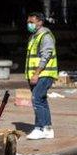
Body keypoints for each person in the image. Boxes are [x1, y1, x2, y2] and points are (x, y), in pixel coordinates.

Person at [25, 12, 58, 140]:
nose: (29, 25)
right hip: (36, 74)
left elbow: (46, 56)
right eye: (28, 22)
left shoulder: (45, 36)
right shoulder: (34, 36)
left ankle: (44, 128)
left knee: (37, 99)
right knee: (41, 100)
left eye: (32, 22)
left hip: (44, 73)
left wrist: (36, 74)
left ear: (40, 22)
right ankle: (42, 128)